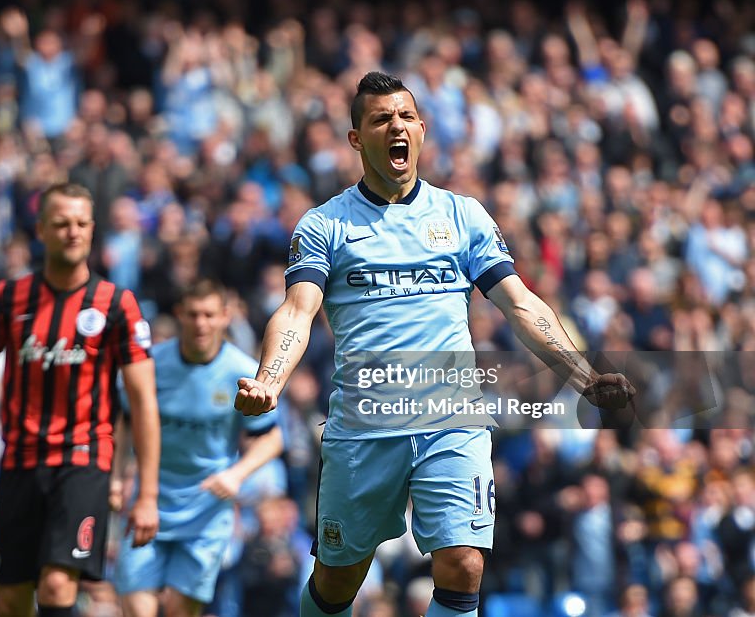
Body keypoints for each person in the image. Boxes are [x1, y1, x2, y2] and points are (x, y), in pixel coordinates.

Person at [233, 72, 635, 617]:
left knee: (464, 562)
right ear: (356, 139)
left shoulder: (461, 215)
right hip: (365, 423)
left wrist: (584, 377)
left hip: (452, 415)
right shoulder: (325, 223)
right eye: (379, 119)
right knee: (336, 580)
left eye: (404, 117)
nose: (395, 127)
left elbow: (520, 303)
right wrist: (270, 379)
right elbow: (297, 312)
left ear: (421, 129)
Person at [0, 182, 160, 617]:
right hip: (19, 464)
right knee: (11, 596)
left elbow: (144, 401)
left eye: (81, 223)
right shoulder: (8, 299)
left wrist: (146, 492)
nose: (72, 232)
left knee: (56, 585)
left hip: (83, 462)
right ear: (42, 230)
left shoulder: (116, 304)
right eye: (61, 223)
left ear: (92, 230)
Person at [113, 279, 283, 617]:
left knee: (179, 610)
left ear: (225, 316)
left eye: (209, 315)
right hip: (150, 500)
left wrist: (236, 475)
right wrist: (118, 477)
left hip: (206, 509)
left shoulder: (241, 372)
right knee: (137, 608)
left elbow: (272, 438)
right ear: (179, 315)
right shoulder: (151, 364)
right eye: (192, 314)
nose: (200, 324)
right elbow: (124, 423)